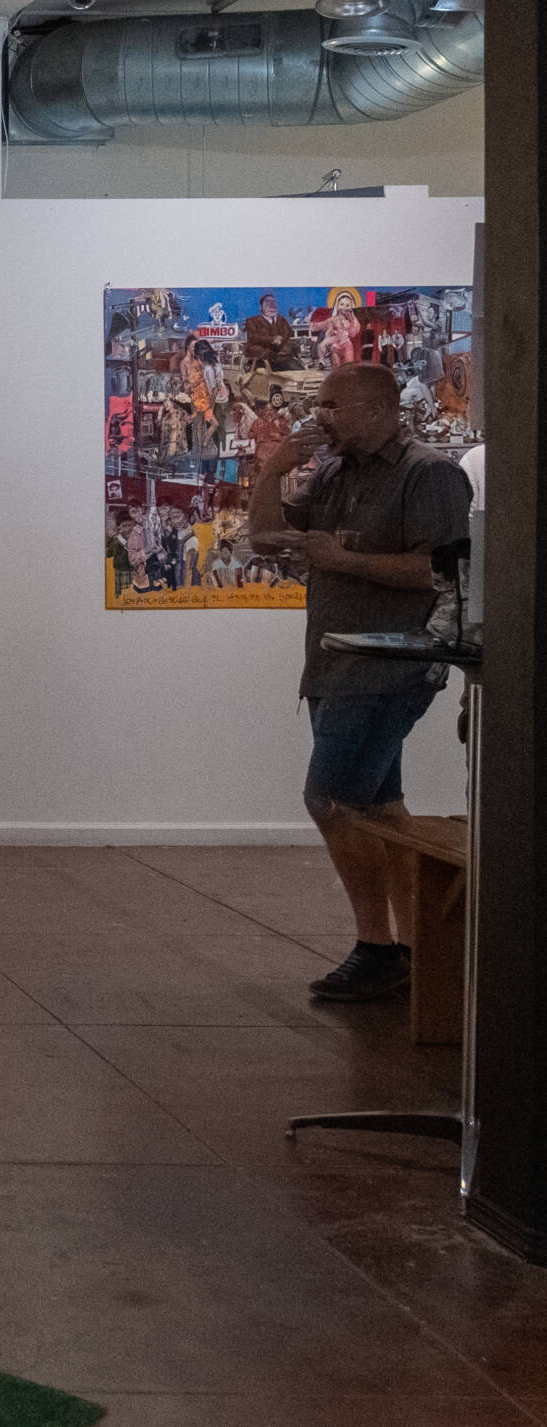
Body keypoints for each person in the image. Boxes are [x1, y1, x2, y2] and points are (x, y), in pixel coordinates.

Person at [249, 363, 471, 1001]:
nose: (320, 416)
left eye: (331, 406)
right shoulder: (333, 472)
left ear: (377, 410)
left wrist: (343, 559)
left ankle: (377, 948)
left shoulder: (429, 474)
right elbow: (265, 538)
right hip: (335, 663)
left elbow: (443, 572)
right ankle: (419, 953)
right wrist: (274, 468)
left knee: (331, 799)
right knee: (378, 808)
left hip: (389, 668)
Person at [242, 293, 297, 376]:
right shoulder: (252, 321)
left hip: (281, 355)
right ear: (261, 306)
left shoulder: (281, 319)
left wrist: (280, 339)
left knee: (291, 361)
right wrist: (272, 339)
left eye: (274, 302)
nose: (272, 305)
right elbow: (253, 336)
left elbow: (288, 331)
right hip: (260, 357)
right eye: (268, 302)